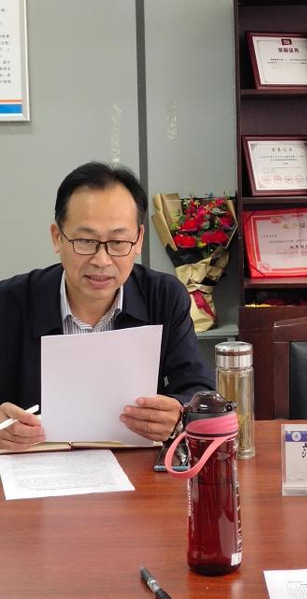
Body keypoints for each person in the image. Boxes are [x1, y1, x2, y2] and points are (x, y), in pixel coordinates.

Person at [0, 162, 215, 451]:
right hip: (34, 468)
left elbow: (198, 391)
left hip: (136, 469)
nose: (101, 260)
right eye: (85, 241)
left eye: (118, 241)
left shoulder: (164, 297)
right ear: (57, 237)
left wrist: (179, 412)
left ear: (138, 240)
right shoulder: (8, 303)